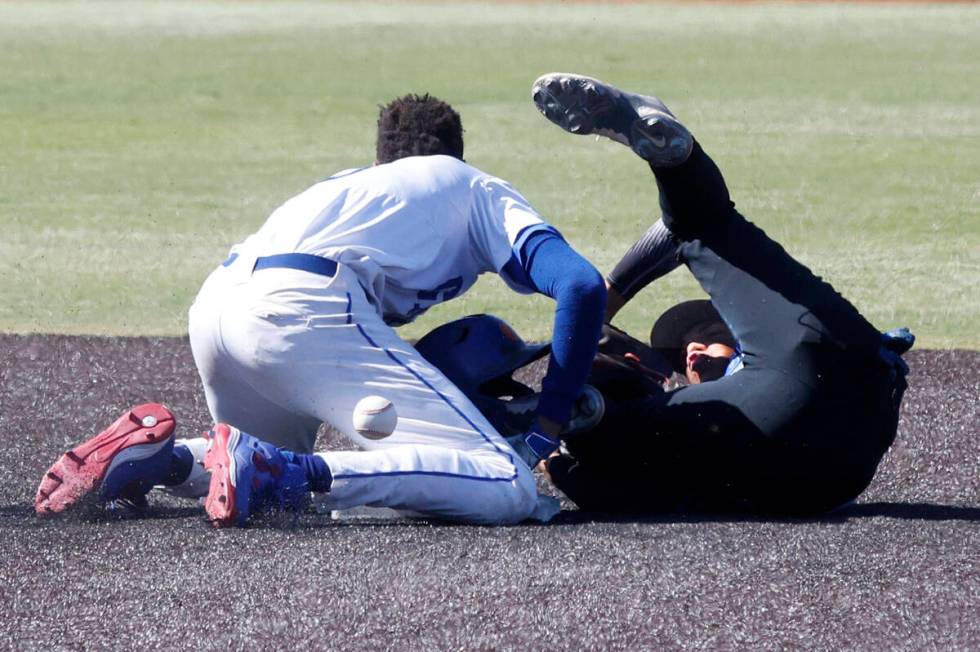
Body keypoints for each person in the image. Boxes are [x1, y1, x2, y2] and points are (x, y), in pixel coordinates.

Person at [35, 93, 606, 525]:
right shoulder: (473, 185)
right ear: (452, 154)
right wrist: (544, 430)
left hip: (216, 307)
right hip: (301, 305)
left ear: (384, 157)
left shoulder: (349, 186)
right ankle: (287, 471)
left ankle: (163, 462)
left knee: (259, 482)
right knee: (508, 483)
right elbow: (580, 286)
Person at [525, 73, 912, 514]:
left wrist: (607, 298)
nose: (689, 352)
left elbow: (676, 234)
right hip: (837, 435)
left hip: (825, 422)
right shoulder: (695, 418)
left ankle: (668, 152)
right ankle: (676, 164)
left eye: (706, 334)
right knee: (702, 230)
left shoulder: (757, 353)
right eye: (682, 359)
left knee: (603, 430)